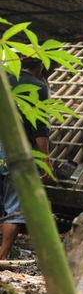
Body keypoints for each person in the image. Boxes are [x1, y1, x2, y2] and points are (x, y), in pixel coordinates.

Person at [0, 57, 51, 260]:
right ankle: (2, 256)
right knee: (14, 207)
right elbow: (39, 128)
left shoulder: (4, 79)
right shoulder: (37, 86)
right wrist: (45, 160)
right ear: (40, 66)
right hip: (17, 150)